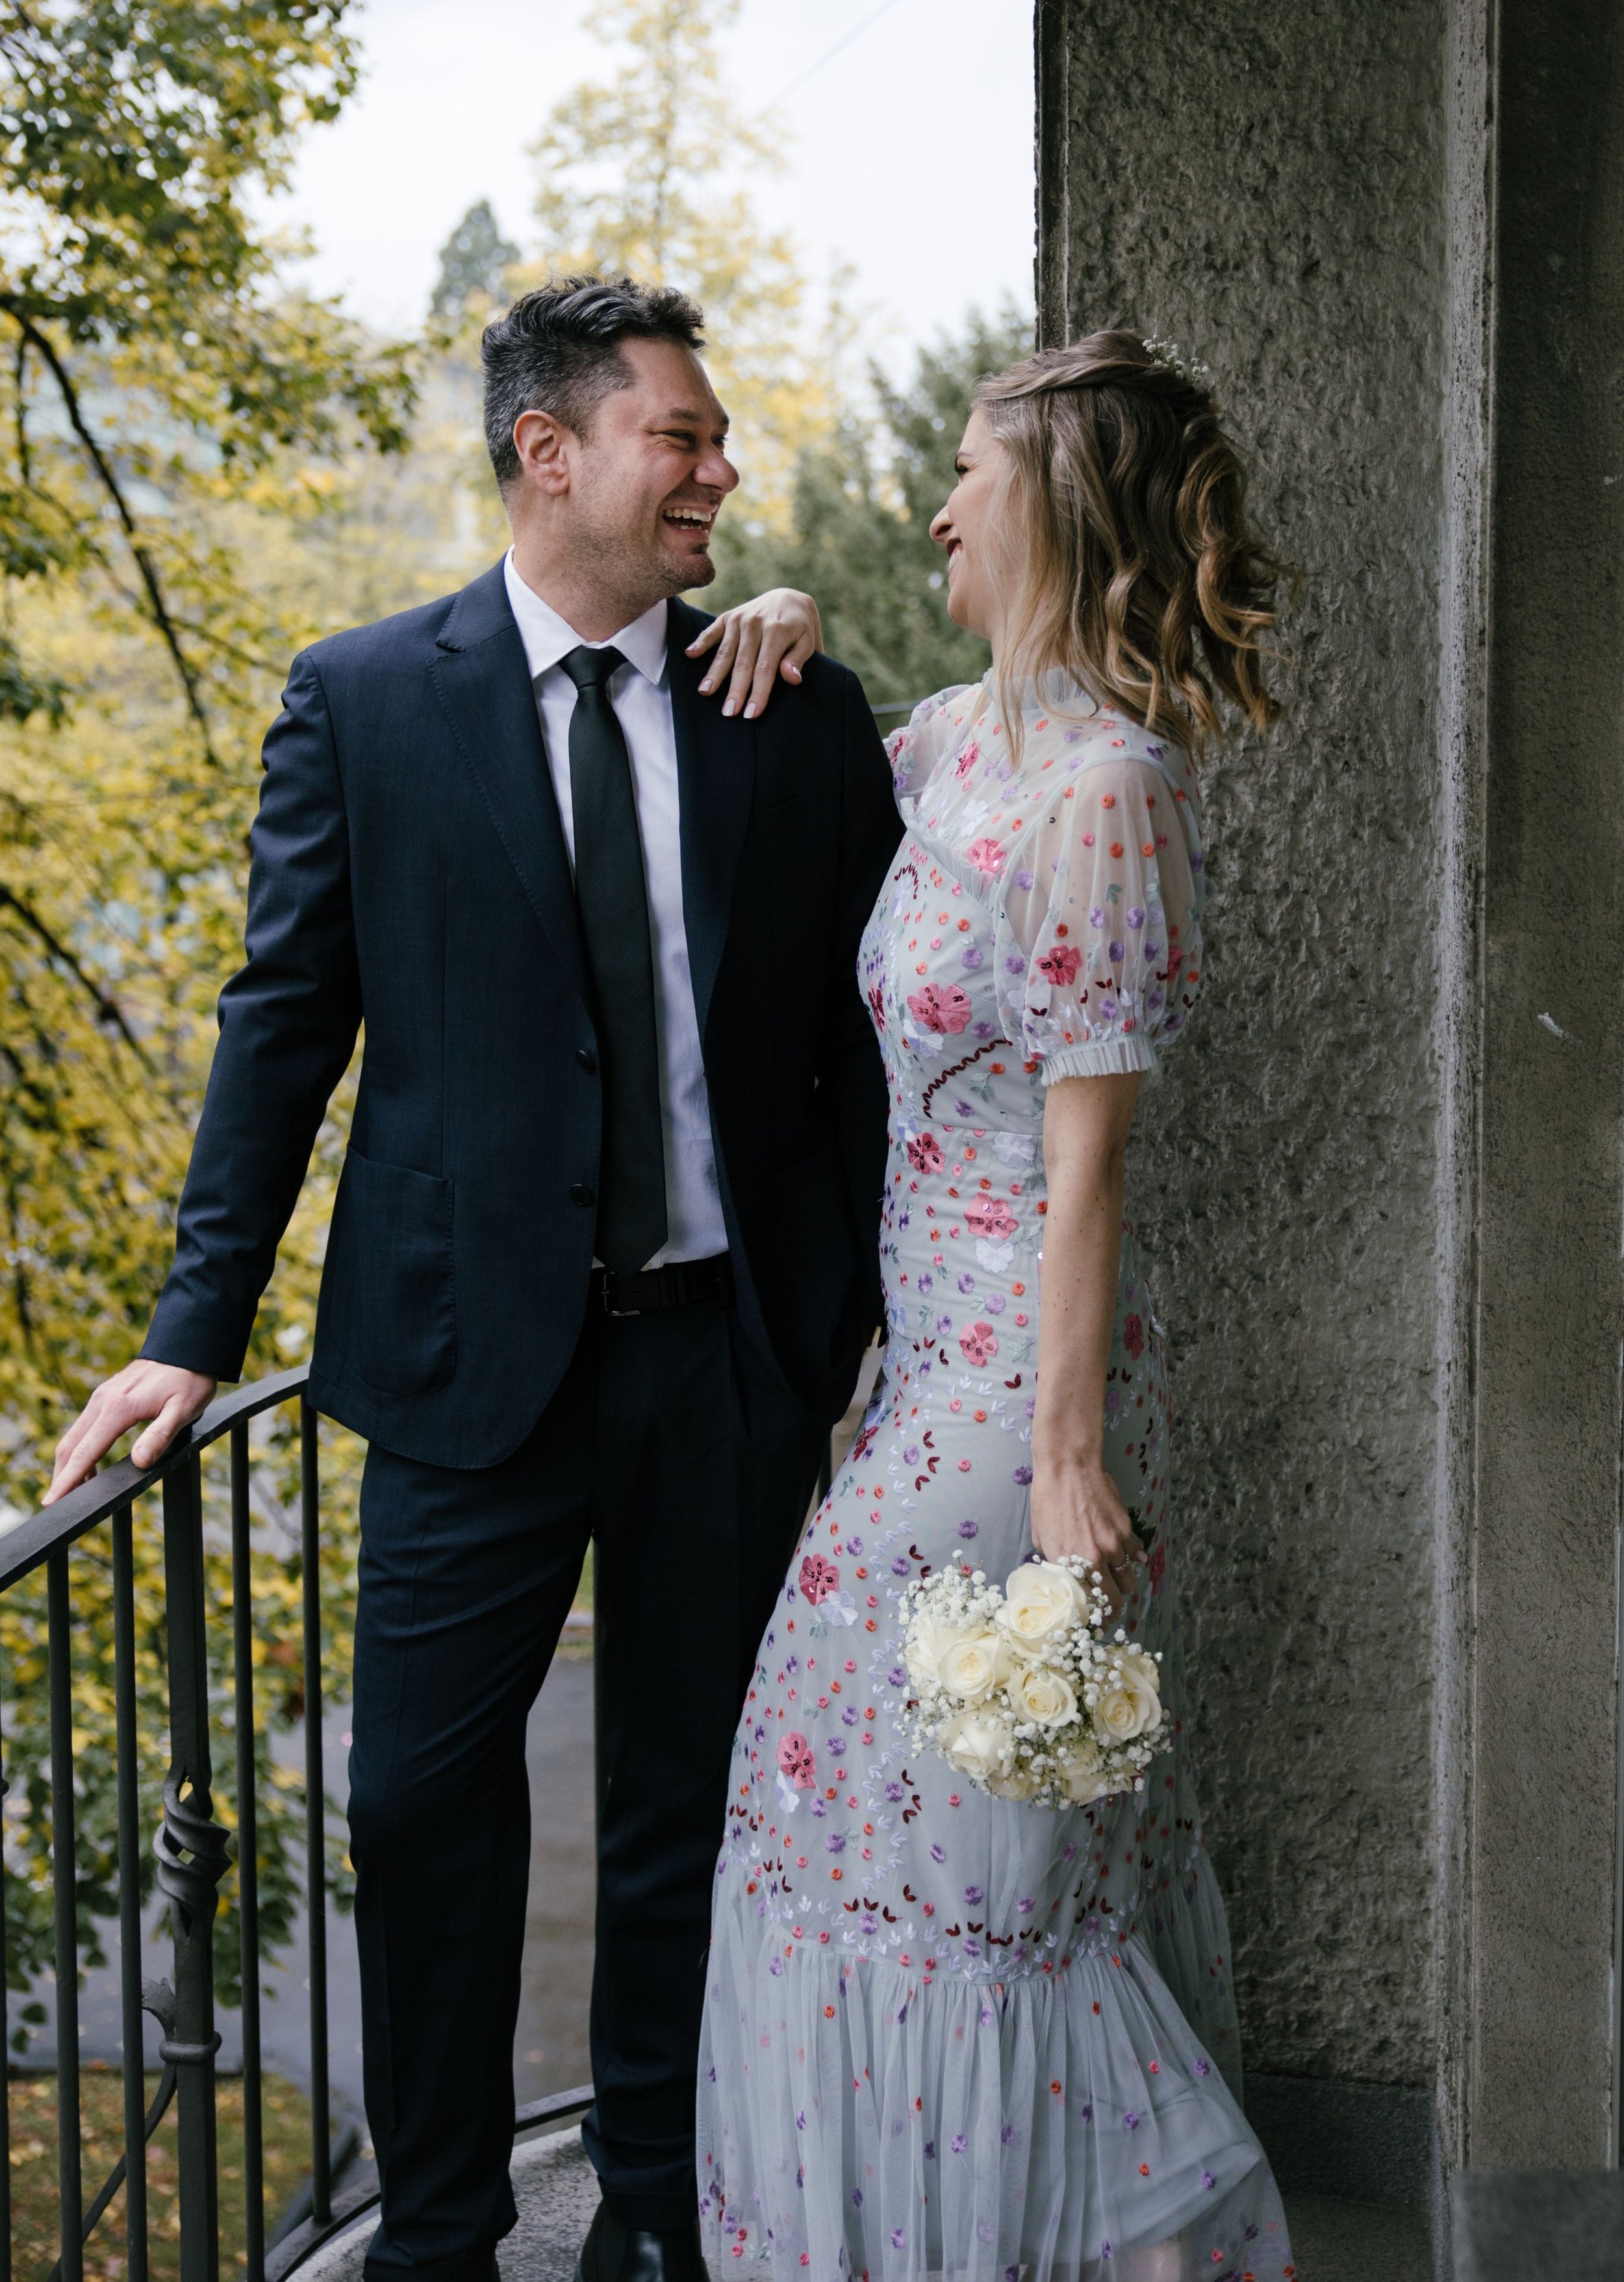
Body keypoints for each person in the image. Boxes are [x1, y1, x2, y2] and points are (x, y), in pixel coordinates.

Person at [47, 276, 903, 2282]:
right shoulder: (363, 698)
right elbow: (283, 1025)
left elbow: (864, 1042)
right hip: (456, 1373)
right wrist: (194, 1335)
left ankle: (661, 2212)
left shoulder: (786, 704)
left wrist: (847, 1329)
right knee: (421, 1814)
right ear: (551, 455)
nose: (717, 471)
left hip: (729, 1366)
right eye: (679, 438)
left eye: (712, 444)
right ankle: (436, 2239)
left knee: (686, 1819)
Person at [694, 335, 1299, 2282]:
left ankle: (1078, 2239)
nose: (941, 507)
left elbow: (1087, 1169)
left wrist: (1059, 1463)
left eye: (970, 474)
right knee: (853, 1820)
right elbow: (794, 819)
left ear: (1052, 508)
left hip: (1002, 1412)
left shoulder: (1108, 793)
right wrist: (775, 615)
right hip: (914, 1383)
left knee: (953, 1865)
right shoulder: (959, 741)